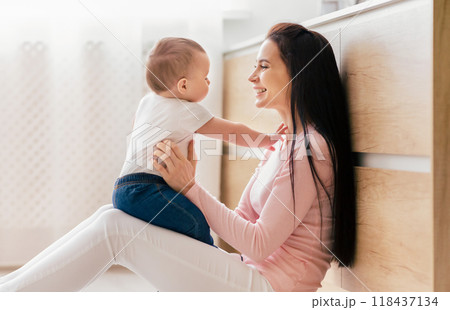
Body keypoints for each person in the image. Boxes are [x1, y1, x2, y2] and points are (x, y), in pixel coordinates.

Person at [0, 23, 356, 292]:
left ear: (299, 73)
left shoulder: (312, 150)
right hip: (251, 273)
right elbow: (244, 230)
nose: (252, 76)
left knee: (113, 230)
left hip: (271, 291)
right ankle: (10, 289)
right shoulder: (285, 147)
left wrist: (188, 187)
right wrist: (186, 189)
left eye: (263, 66)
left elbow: (258, 243)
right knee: (110, 215)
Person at [113, 37, 280, 248]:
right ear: (183, 85)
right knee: (196, 221)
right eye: (206, 77)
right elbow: (233, 132)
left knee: (177, 224)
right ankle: (214, 261)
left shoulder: (147, 101)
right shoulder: (186, 109)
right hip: (148, 189)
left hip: (123, 187)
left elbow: (137, 128)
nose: (209, 82)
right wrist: (269, 140)